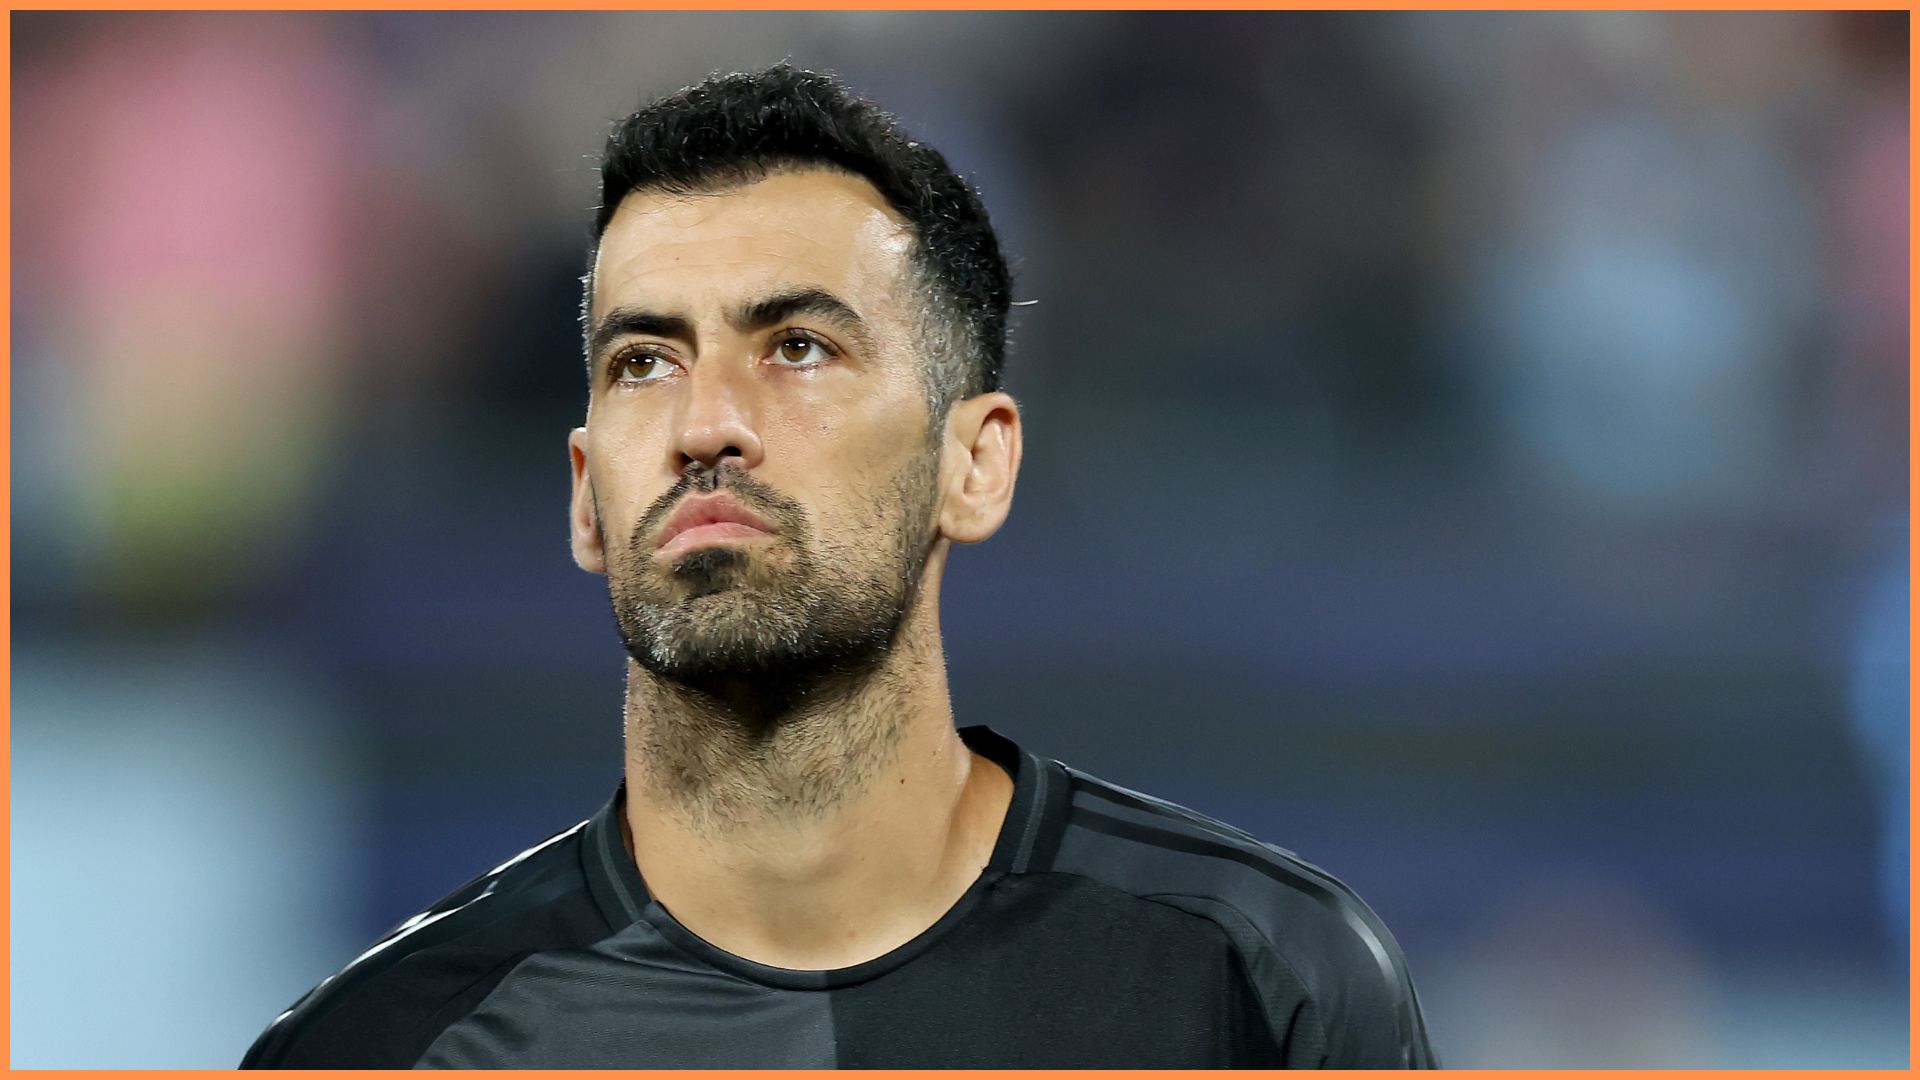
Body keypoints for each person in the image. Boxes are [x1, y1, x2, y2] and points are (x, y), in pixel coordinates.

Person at [242, 63, 1437, 1069]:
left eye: (799, 347)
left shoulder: (1260, 987)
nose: (707, 422)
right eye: (645, 362)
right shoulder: (387, 1047)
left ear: (976, 463)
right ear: (585, 497)